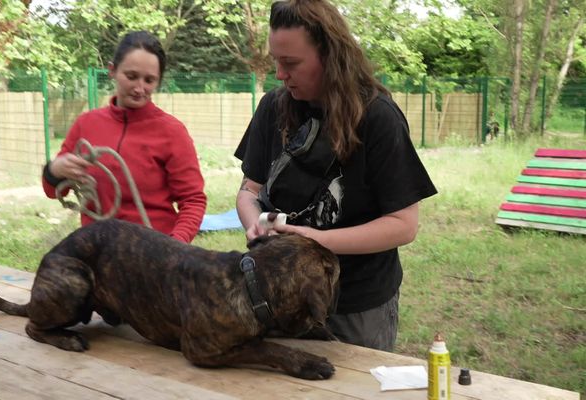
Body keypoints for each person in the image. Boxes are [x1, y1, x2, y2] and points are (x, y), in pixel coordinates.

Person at [234, 0, 437, 352]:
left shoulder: (378, 118)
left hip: (356, 304)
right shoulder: (272, 108)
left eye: (291, 63)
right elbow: (248, 192)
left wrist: (311, 238)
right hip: (279, 291)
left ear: (329, 54)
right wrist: (256, 226)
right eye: (276, 61)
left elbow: (404, 224)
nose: (280, 74)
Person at [42, 31, 206, 243]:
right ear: (112, 70)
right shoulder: (86, 124)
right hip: (98, 251)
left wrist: (175, 246)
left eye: (149, 80)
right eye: (131, 76)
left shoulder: (172, 132)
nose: (139, 88)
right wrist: (54, 170)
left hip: (155, 253)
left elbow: (193, 200)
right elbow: (52, 190)